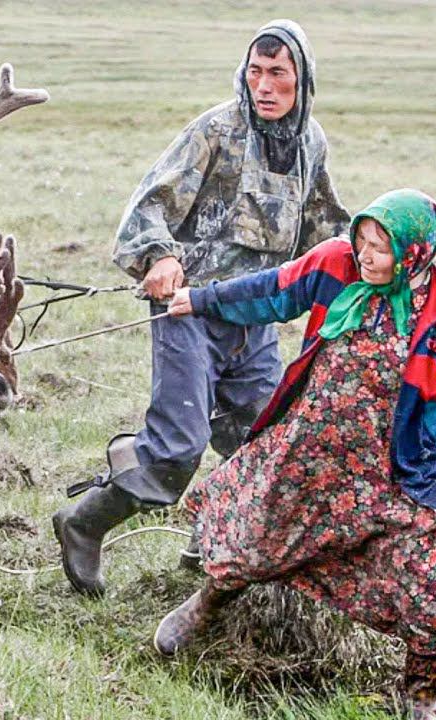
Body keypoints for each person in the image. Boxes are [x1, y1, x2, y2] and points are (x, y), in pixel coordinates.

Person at [157, 188, 436, 720]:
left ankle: (424, 696)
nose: (364, 256)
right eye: (360, 241)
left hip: (403, 472)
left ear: (414, 252)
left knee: (434, 583)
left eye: (379, 248)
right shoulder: (334, 265)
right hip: (310, 455)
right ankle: (205, 608)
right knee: (254, 539)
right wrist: (199, 299)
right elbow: (272, 291)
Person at [53, 19, 350, 597]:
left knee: (262, 441)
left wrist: (365, 269)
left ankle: (213, 535)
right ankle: (83, 524)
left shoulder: (310, 143)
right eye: (256, 72)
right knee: (177, 449)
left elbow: (325, 230)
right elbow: (149, 205)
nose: (264, 86)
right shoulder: (214, 130)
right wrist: (160, 256)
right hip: (187, 310)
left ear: (303, 81)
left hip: (257, 320)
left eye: (278, 75)